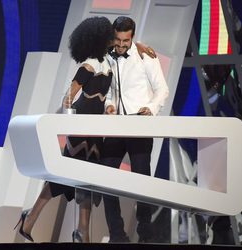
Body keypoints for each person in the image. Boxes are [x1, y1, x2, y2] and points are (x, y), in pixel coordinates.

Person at [14, 16, 156, 243]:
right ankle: (33, 219)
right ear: (99, 39)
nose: (115, 41)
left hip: (95, 129)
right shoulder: (90, 63)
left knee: (87, 180)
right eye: (110, 37)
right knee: (64, 178)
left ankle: (80, 231)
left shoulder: (108, 60)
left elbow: (124, 47)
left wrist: (139, 46)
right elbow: (68, 98)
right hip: (81, 129)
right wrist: (69, 122)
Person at [101, 16, 169, 243]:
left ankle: (145, 233)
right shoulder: (107, 56)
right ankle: (117, 235)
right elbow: (109, 90)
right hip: (116, 125)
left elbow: (162, 90)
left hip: (139, 123)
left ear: (133, 37)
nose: (121, 46)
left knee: (142, 180)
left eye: (125, 41)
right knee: (105, 178)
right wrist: (108, 104)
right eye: (118, 41)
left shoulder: (145, 56)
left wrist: (149, 108)